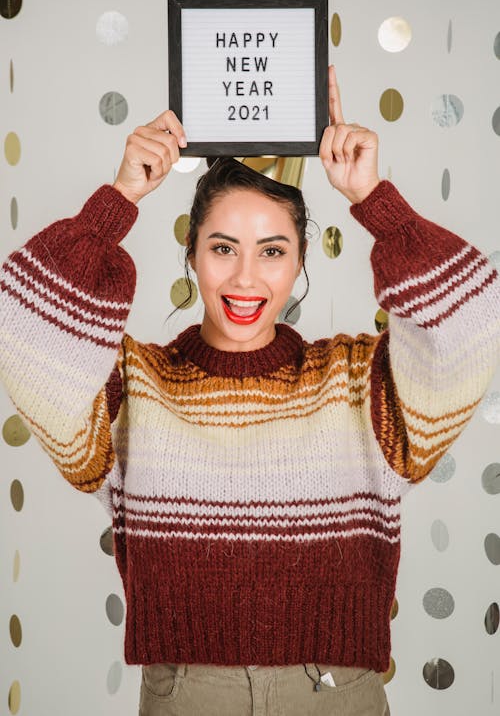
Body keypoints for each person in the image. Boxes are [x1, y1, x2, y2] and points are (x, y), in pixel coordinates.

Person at [0, 66, 499, 716]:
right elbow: (22, 335)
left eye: (272, 251)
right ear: (192, 256)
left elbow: (473, 325)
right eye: (222, 248)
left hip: (334, 691)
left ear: (299, 263)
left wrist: (375, 197)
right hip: (188, 692)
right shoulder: (139, 388)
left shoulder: (354, 382)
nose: (245, 277)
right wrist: (117, 198)